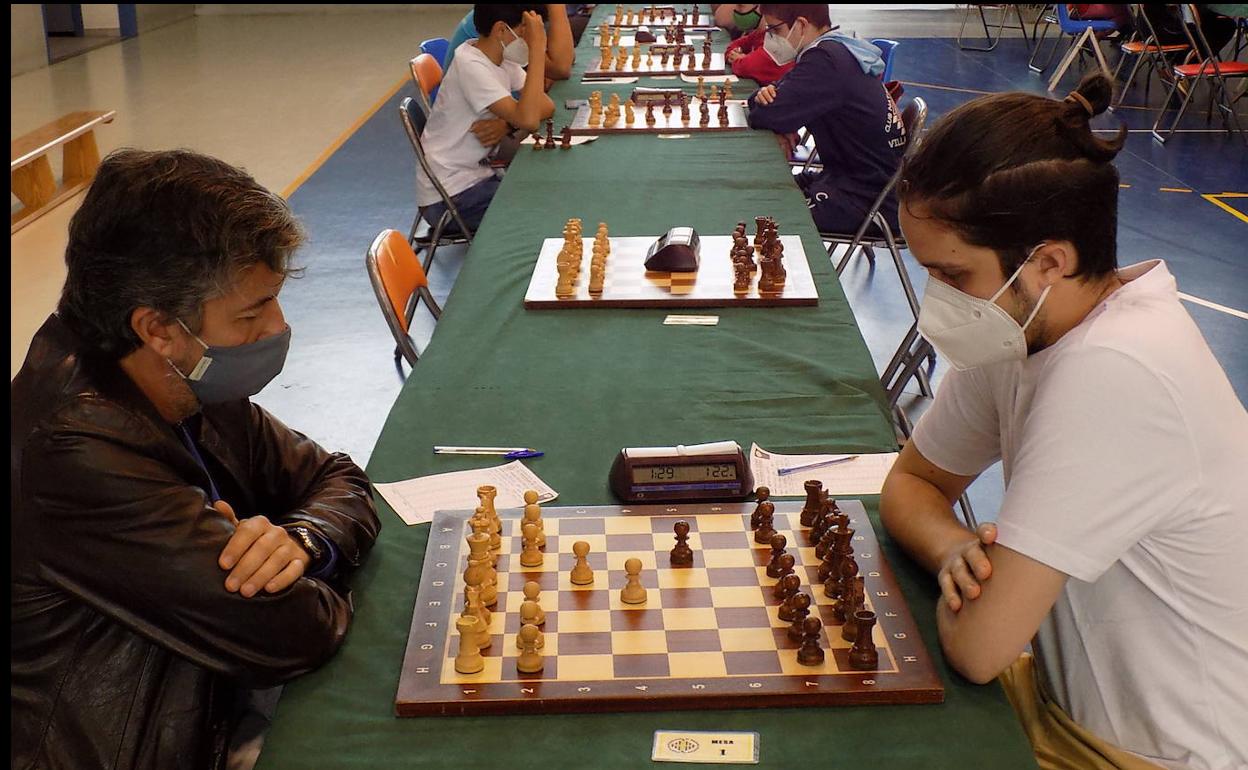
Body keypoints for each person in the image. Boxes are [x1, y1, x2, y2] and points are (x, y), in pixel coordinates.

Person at [880, 73, 1248, 770]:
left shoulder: (1117, 370)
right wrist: (954, 551)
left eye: (953, 276)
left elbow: (979, 647)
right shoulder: (1025, 322)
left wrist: (976, 589)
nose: (937, 299)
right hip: (1062, 711)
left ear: (1049, 261)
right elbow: (913, 483)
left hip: (1157, 757)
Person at [11, 149, 382, 770]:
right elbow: (291, 631)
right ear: (159, 328)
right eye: (252, 311)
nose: (277, 327)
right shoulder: (74, 450)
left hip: (211, 694)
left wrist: (303, 541)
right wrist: (300, 579)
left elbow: (335, 477)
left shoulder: (191, 378)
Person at [747, 4, 907, 234]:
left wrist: (773, 111)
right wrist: (764, 99)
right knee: (762, 190)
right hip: (848, 180)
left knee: (766, 215)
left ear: (801, 24)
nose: (770, 38)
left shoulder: (826, 60)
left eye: (774, 30)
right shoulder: (835, 48)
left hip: (867, 200)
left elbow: (767, 114)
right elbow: (774, 100)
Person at [417, 5, 556, 232]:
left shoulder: (500, 57)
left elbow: (546, 106)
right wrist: (537, 50)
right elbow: (530, 120)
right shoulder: (471, 65)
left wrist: (508, 123)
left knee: (545, 193)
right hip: (450, 198)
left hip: (476, 178)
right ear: (501, 29)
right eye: (524, 31)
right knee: (543, 212)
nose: (527, 39)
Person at [724, 4, 796, 85]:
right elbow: (734, 45)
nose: (770, 35)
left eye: (776, 29)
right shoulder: (764, 33)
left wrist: (740, 59)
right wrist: (734, 55)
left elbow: (744, 67)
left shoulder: (781, 53)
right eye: (768, 27)